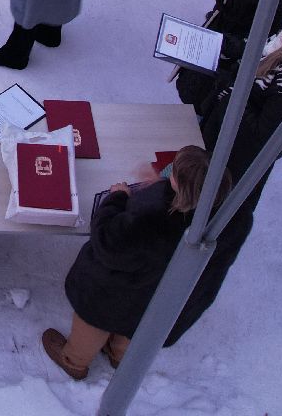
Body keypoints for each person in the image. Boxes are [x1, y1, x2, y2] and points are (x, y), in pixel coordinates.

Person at [43, 145, 226, 380]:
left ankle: (74, 361)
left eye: (174, 172)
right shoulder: (217, 221)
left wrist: (116, 199)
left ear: (179, 185)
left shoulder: (151, 217)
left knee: (92, 327)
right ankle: (118, 356)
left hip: (111, 294)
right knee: (134, 329)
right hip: (155, 299)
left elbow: (107, 242)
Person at [176, 5, 282, 186]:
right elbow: (259, 52)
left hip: (233, 154)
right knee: (191, 169)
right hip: (220, 126)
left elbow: (259, 136)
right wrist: (225, 46)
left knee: (203, 189)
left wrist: (232, 93)